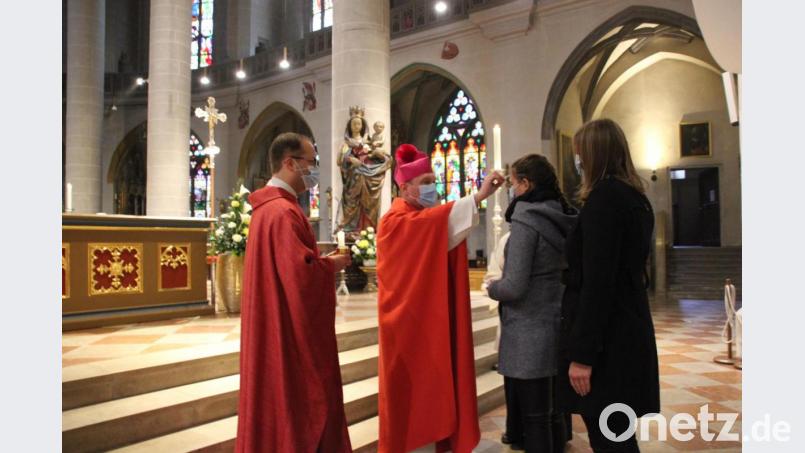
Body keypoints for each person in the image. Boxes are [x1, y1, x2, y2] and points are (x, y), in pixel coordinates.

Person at [376, 144, 504, 453]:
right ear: (404, 187)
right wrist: (478, 196)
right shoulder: (395, 221)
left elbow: (439, 226)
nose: (433, 187)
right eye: (426, 183)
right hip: (405, 330)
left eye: (434, 180)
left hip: (424, 323)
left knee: (431, 394)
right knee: (412, 401)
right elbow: (434, 226)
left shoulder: (420, 216)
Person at [235, 132, 353, 452]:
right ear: (289, 163)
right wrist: (333, 265)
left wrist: (318, 263)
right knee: (303, 404)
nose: (315, 171)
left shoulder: (266, 209)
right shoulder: (283, 212)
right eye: (311, 162)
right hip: (287, 332)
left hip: (273, 322)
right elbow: (301, 279)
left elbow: (292, 266)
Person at [558, 119, 659, 453]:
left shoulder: (604, 201)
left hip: (607, 346)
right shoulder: (634, 197)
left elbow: (599, 284)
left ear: (593, 155)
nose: (578, 162)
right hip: (627, 330)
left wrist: (583, 356)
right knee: (618, 435)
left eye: (580, 154)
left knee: (610, 440)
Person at [486, 154, 577, 452]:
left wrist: (492, 288)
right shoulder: (562, 215)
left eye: (513, 183)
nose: (512, 189)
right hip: (555, 322)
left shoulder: (527, 219)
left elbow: (514, 286)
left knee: (535, 418)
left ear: (526, 183)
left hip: (527, 330)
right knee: (551, 413)